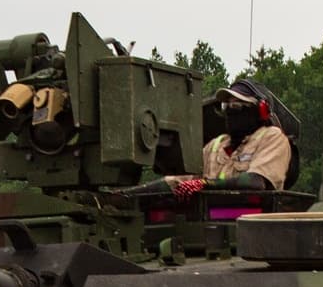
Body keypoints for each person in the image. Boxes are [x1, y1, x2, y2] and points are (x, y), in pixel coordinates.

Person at [125, 80, 294, 199]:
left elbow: (256, 182)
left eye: (236, 106)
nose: (229, 112)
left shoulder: (272, 137)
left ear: (261, 110)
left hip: (251, 229)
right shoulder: (217, 144)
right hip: (207, 223)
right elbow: (179, 182)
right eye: (225, 106)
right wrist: (127, 195)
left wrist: (204, 185)